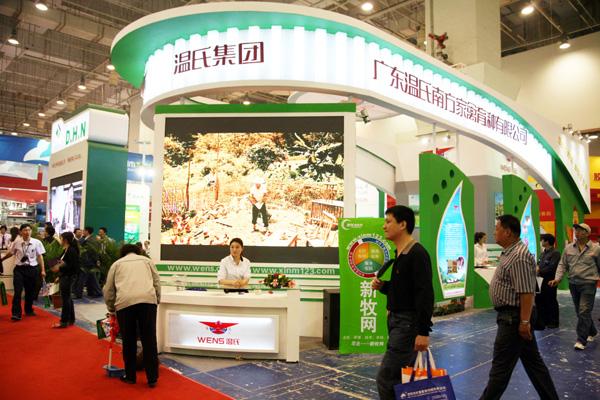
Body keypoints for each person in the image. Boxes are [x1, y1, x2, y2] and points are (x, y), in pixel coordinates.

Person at [480, 215, 558, 400]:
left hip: (513, 319)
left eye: (497, 228)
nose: (494, 232)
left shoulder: (519, 256)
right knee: (534, 364)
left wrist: (524, 322)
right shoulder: (510, 252)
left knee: (500, 370)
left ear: (508, 232)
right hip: (513, 317)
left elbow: (526, 293)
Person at [371, 205, 434, 400]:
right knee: (398, 379)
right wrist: (384, 286)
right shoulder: (400, 254)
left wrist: (423, 332)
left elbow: (425, 294)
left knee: (386, 379)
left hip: (407, 325)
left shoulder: (417, 254)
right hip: (397, 322)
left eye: (388, 221)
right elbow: (405, 290)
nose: (384, 226)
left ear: (403, 224)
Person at [103, 244, 161, 388]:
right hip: (147, 302)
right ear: (138, 251)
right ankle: (152, 378)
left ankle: (130, 376)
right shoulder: (147, 261)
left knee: (128, 340)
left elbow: (108, 289)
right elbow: (156, 282)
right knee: (149, 339)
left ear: (122, 253)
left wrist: (111, 308)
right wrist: (156, 300)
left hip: (125, 303)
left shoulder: (116, 264)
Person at [549, 223, 599, 350]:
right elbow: (562, 265)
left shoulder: (596, 249)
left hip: (588, 283)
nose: (577, 232)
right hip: (573, 283)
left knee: (583, 310)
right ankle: (592, 331)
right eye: (576, 230)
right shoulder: (568, 248)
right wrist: (557, 278)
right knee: (580, 311)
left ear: (587, 233)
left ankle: (581, 340)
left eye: (581, 230)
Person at [0, 224, 46, 321]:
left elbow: (40, 256)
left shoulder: (37, 242)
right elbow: (11, 252)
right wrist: (2, 259)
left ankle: (28, 309)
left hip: (32, 269)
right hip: (19, 270)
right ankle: (16, 313)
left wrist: (43, 270)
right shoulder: (17, 242)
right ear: (21, 232)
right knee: (17, 291)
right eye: (25, 230)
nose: (27, 232)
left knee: (30, 291)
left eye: (29, 230)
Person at [50, 231, 80, 328]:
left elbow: (72, 266)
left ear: (65, 240)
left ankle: (64, 321)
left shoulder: (71, 250)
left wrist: (59, 268)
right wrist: (54, 267)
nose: (60, 240)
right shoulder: (66, 250)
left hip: (68, 277)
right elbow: (60, 261)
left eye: (61, 238)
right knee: (67, 298)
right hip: (65, 276)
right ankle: (71, 319)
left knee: (65, 299)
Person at [534, 233, 560, 330]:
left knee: (550, 300)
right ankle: (542, 321)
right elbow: (538, 264)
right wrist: (537, 269)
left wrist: (539, 270)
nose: (541, 241)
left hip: (549, 280)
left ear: (547, 241)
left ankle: (553, 321)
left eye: (542, 240)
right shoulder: (543, 253)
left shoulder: (555, 253)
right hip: (539, 279)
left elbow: (552, 267)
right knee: (539, 300)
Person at [73, 226, 102, 298]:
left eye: (83, 231)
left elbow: (92, 252)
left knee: (82, 278)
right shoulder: (88, 239)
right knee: (92, 278)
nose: (82, 232)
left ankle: (78, 294)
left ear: (87, 231)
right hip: (88, 262)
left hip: (87, 262)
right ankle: (97, 292)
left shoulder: (91, 240)